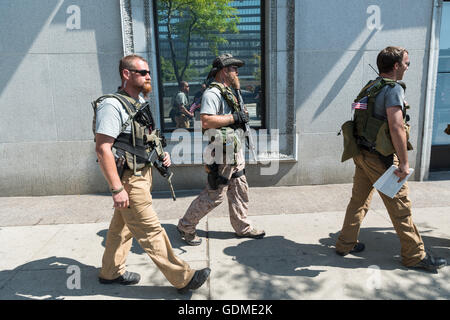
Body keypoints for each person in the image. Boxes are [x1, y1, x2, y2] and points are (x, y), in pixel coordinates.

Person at [94, 54, 210, 293]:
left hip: (142, 175)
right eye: (143, 72)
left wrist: (160, 155)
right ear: (126, 74)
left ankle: (110, 273)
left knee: (121, 229)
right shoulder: (112, 105)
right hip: (129, 180)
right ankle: (183, 278)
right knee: (151, 230)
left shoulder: (138, 103)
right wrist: (116, 189)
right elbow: (103, 147)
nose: (149, 76)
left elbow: (142, 141)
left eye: (148, 72)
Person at [336, 46, 447, 272]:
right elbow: (397, 128)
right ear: (396, 65)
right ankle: (414, 255)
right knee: (400, 207)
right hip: (382, 159)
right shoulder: (393, 89)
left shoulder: (370, 86)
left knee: (358, 202)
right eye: (406, 63)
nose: (408, 66)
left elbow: (357, 111)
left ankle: (344, 244)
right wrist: (404, 164)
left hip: (362, 154)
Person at [177, 53, 265, 246]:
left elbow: (231, 116)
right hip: (220, 150)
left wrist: (240, 116)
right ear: (224, 71)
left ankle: (243, 227)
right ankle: (186, 225)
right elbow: (206, 120)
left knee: (240, 188)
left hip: (234, 148)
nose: (237, 72)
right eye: (234, 69)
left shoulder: (229, 91)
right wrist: (235, 118)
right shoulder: (212, 93)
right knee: (215, 194)